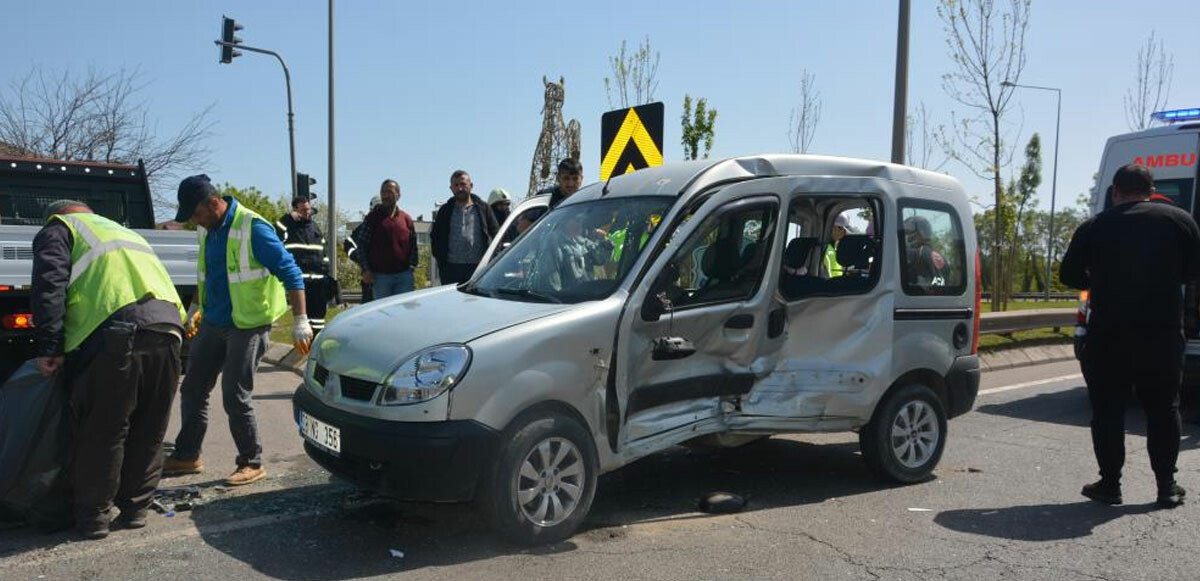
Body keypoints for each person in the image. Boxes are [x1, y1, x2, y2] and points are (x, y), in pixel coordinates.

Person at [31, 199, 185, 539]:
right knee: (150, 426)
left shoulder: (60, 228)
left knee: (103, 429)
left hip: (116, 333)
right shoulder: (124, 232)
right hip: (169, 330)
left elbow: (50, 287)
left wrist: (49, 347)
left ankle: (94, 518)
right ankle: (135, 510)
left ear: (58, 215)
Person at [1060, 163, 1199, 508]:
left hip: (1109, 335)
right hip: (1162, 334)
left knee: (1107, 410)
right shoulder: (1180, 221)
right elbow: (1194, 271)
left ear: (1116, 192)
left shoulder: (1095, 226)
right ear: (1151, 190)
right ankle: (1166, 487)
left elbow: (1070, 275)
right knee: (1164, 408)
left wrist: (1102, 279)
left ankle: (1110, 484)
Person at [162, 175, 311, 487]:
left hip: (249, 323)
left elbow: (291, 272)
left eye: (196, 214)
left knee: (234, 394)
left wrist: (300, 321)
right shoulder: (208, 230)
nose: (194, 221)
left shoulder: (252, 228)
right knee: (193, 389)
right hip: (215, 321)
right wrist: (194, 309)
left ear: (212, 203)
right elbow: (207, 275)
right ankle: (188, 456)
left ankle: (251, 461)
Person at [352, 180, 418, 299]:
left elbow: (413, 245)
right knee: (384, 315)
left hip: (404, 277)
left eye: (389, 191)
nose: (385, 195)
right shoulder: (372, 218)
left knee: (404, 314)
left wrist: (412, 266)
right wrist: (365, 269)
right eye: (383, 192)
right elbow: (361, 245)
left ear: (398, 195)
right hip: (380, 277)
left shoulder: (406, 219)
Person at [431, 170, 499, 284]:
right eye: (456, 185)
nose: (460, 188)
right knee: (452, 301)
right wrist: (442, 262)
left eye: (463, 184)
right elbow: (435, 236)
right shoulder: (445, 211)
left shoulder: (483, 208)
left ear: (471, 186)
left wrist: (491, 259)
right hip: (451, 269)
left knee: (477, 301)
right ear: (451, 188)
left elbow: (496, 233)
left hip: (479, 268)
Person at [276, 196, 331, 334]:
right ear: (295, 210)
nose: (307, 212)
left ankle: (316, 347)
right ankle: (304, 352)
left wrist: (326, 270)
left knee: (319, 319)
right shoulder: (287, 224)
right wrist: (288, 218)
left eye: (308, 209)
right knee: (303, 322)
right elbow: (274, 232)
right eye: (303, 210)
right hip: (300, 282)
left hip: (318, 282)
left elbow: (323, 250)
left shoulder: (314, 226)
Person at [344, 195, 380, 302]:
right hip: (370, 275)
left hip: (389, 275)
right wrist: (357, 256)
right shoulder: (365, 227)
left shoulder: (391, 225)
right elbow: (348, 243)